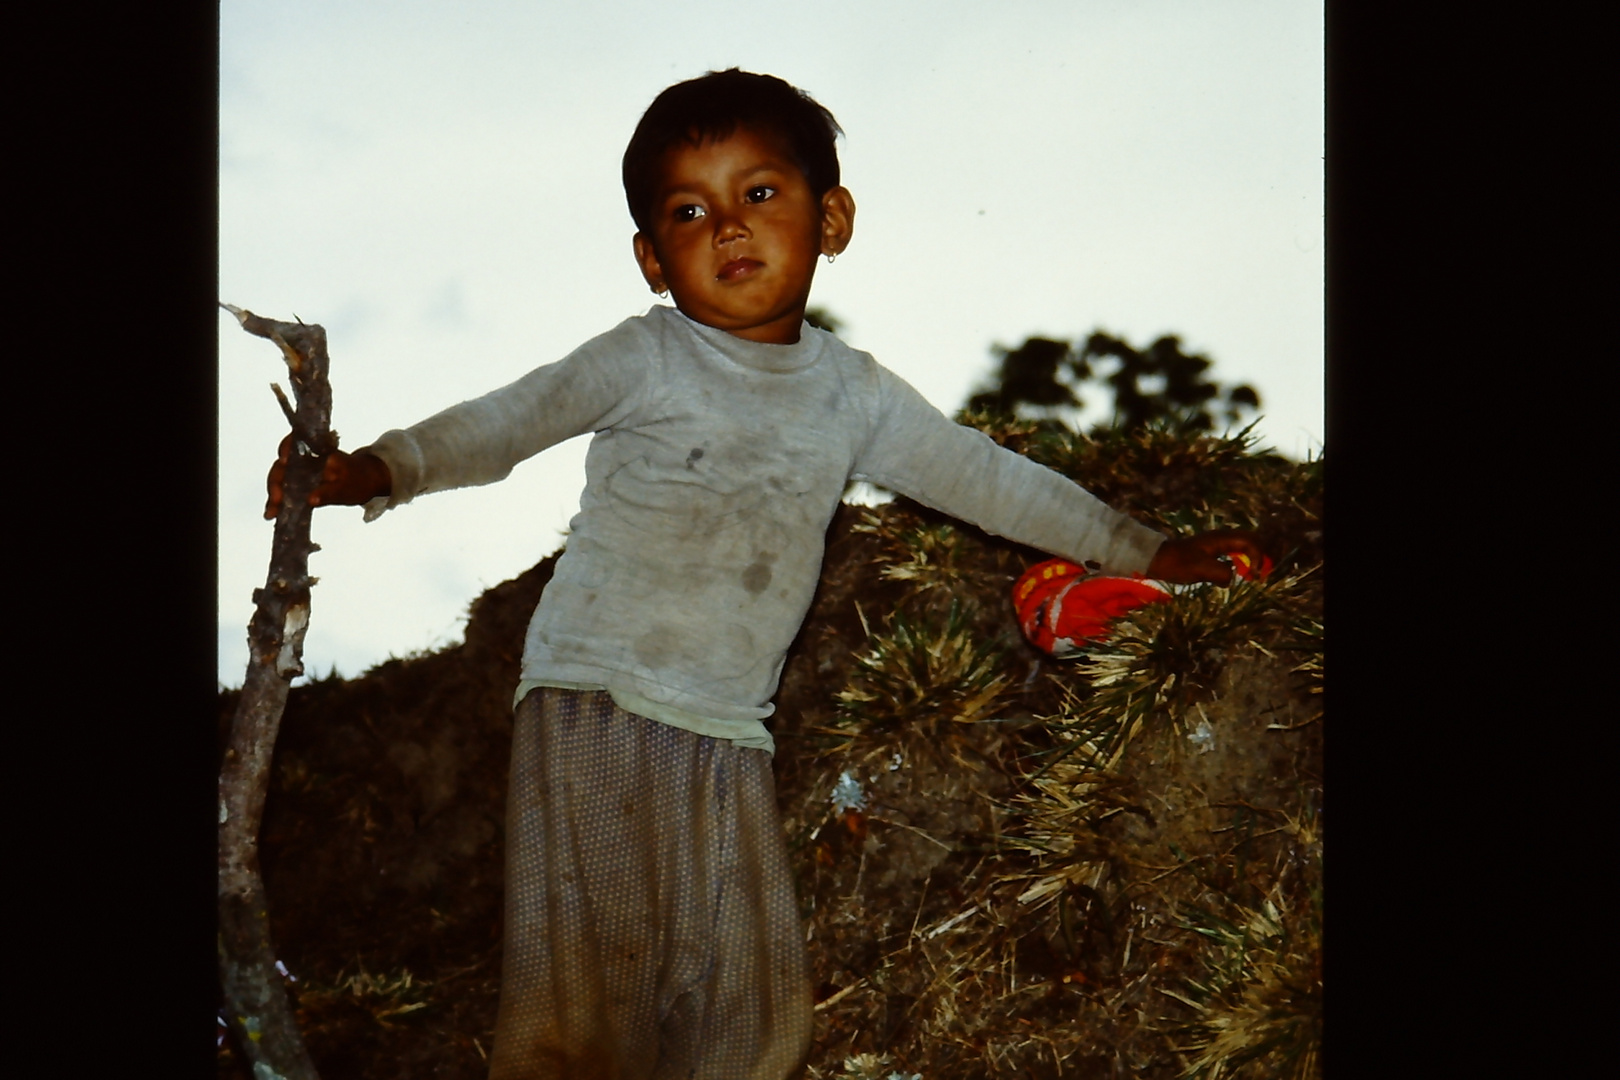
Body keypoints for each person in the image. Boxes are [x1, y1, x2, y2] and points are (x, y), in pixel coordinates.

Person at [266, 68, 1266, 1080]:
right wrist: (381, 467)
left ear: (831, 219)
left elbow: (988, 480)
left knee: (748, 1002)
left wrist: (1143, 550)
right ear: (653, 260)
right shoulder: (644, 357)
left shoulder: (854, 395)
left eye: (759, 195)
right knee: (590, 997)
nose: (729, 230)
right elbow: (508, 420)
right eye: (690, 211)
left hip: (730, 732)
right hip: (596, 705)